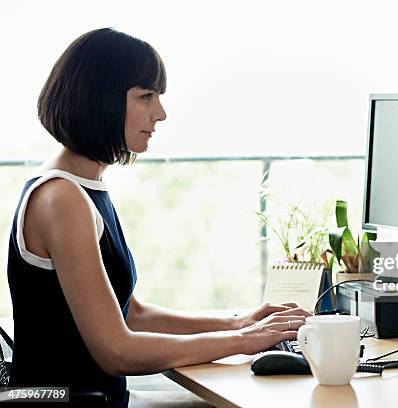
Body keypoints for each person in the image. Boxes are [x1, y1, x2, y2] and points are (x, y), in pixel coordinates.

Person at [6, 28, 310, 408]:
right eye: (145, 96)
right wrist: (246, 342)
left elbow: (131, 312)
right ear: (99, 100)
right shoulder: (62, 198)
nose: (160, 113)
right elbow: (116, 350)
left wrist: (239, 323)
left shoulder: (84, 185)